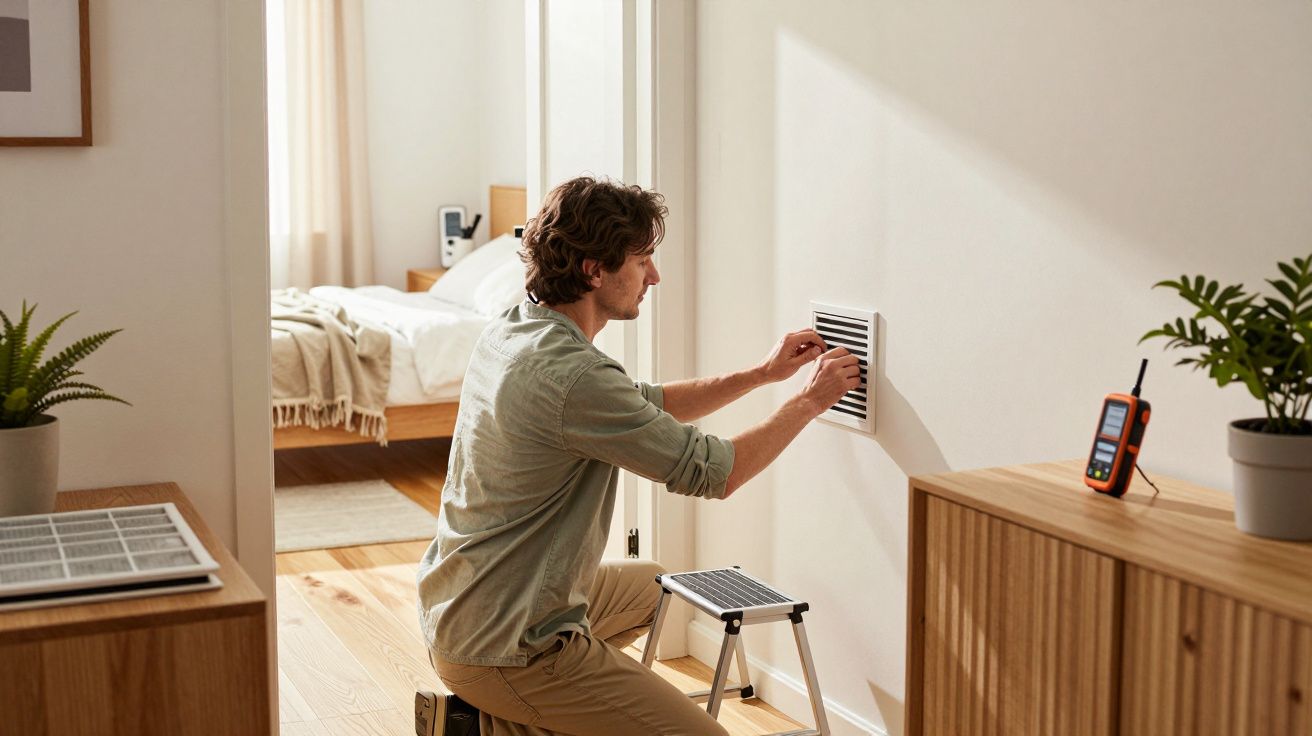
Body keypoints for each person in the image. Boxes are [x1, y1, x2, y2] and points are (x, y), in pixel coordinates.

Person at [417, 176, 860, 735]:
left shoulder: (517, 330)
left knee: (655, 588)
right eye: (643, 258)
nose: (654, 275)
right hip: (508, 644)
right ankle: (485, 722)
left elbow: (645, 404)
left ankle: (499, 718)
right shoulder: (574, 376)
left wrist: (761, 375)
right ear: (594, 270)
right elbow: (717, 473)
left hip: (463, 606)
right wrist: (809, 402)